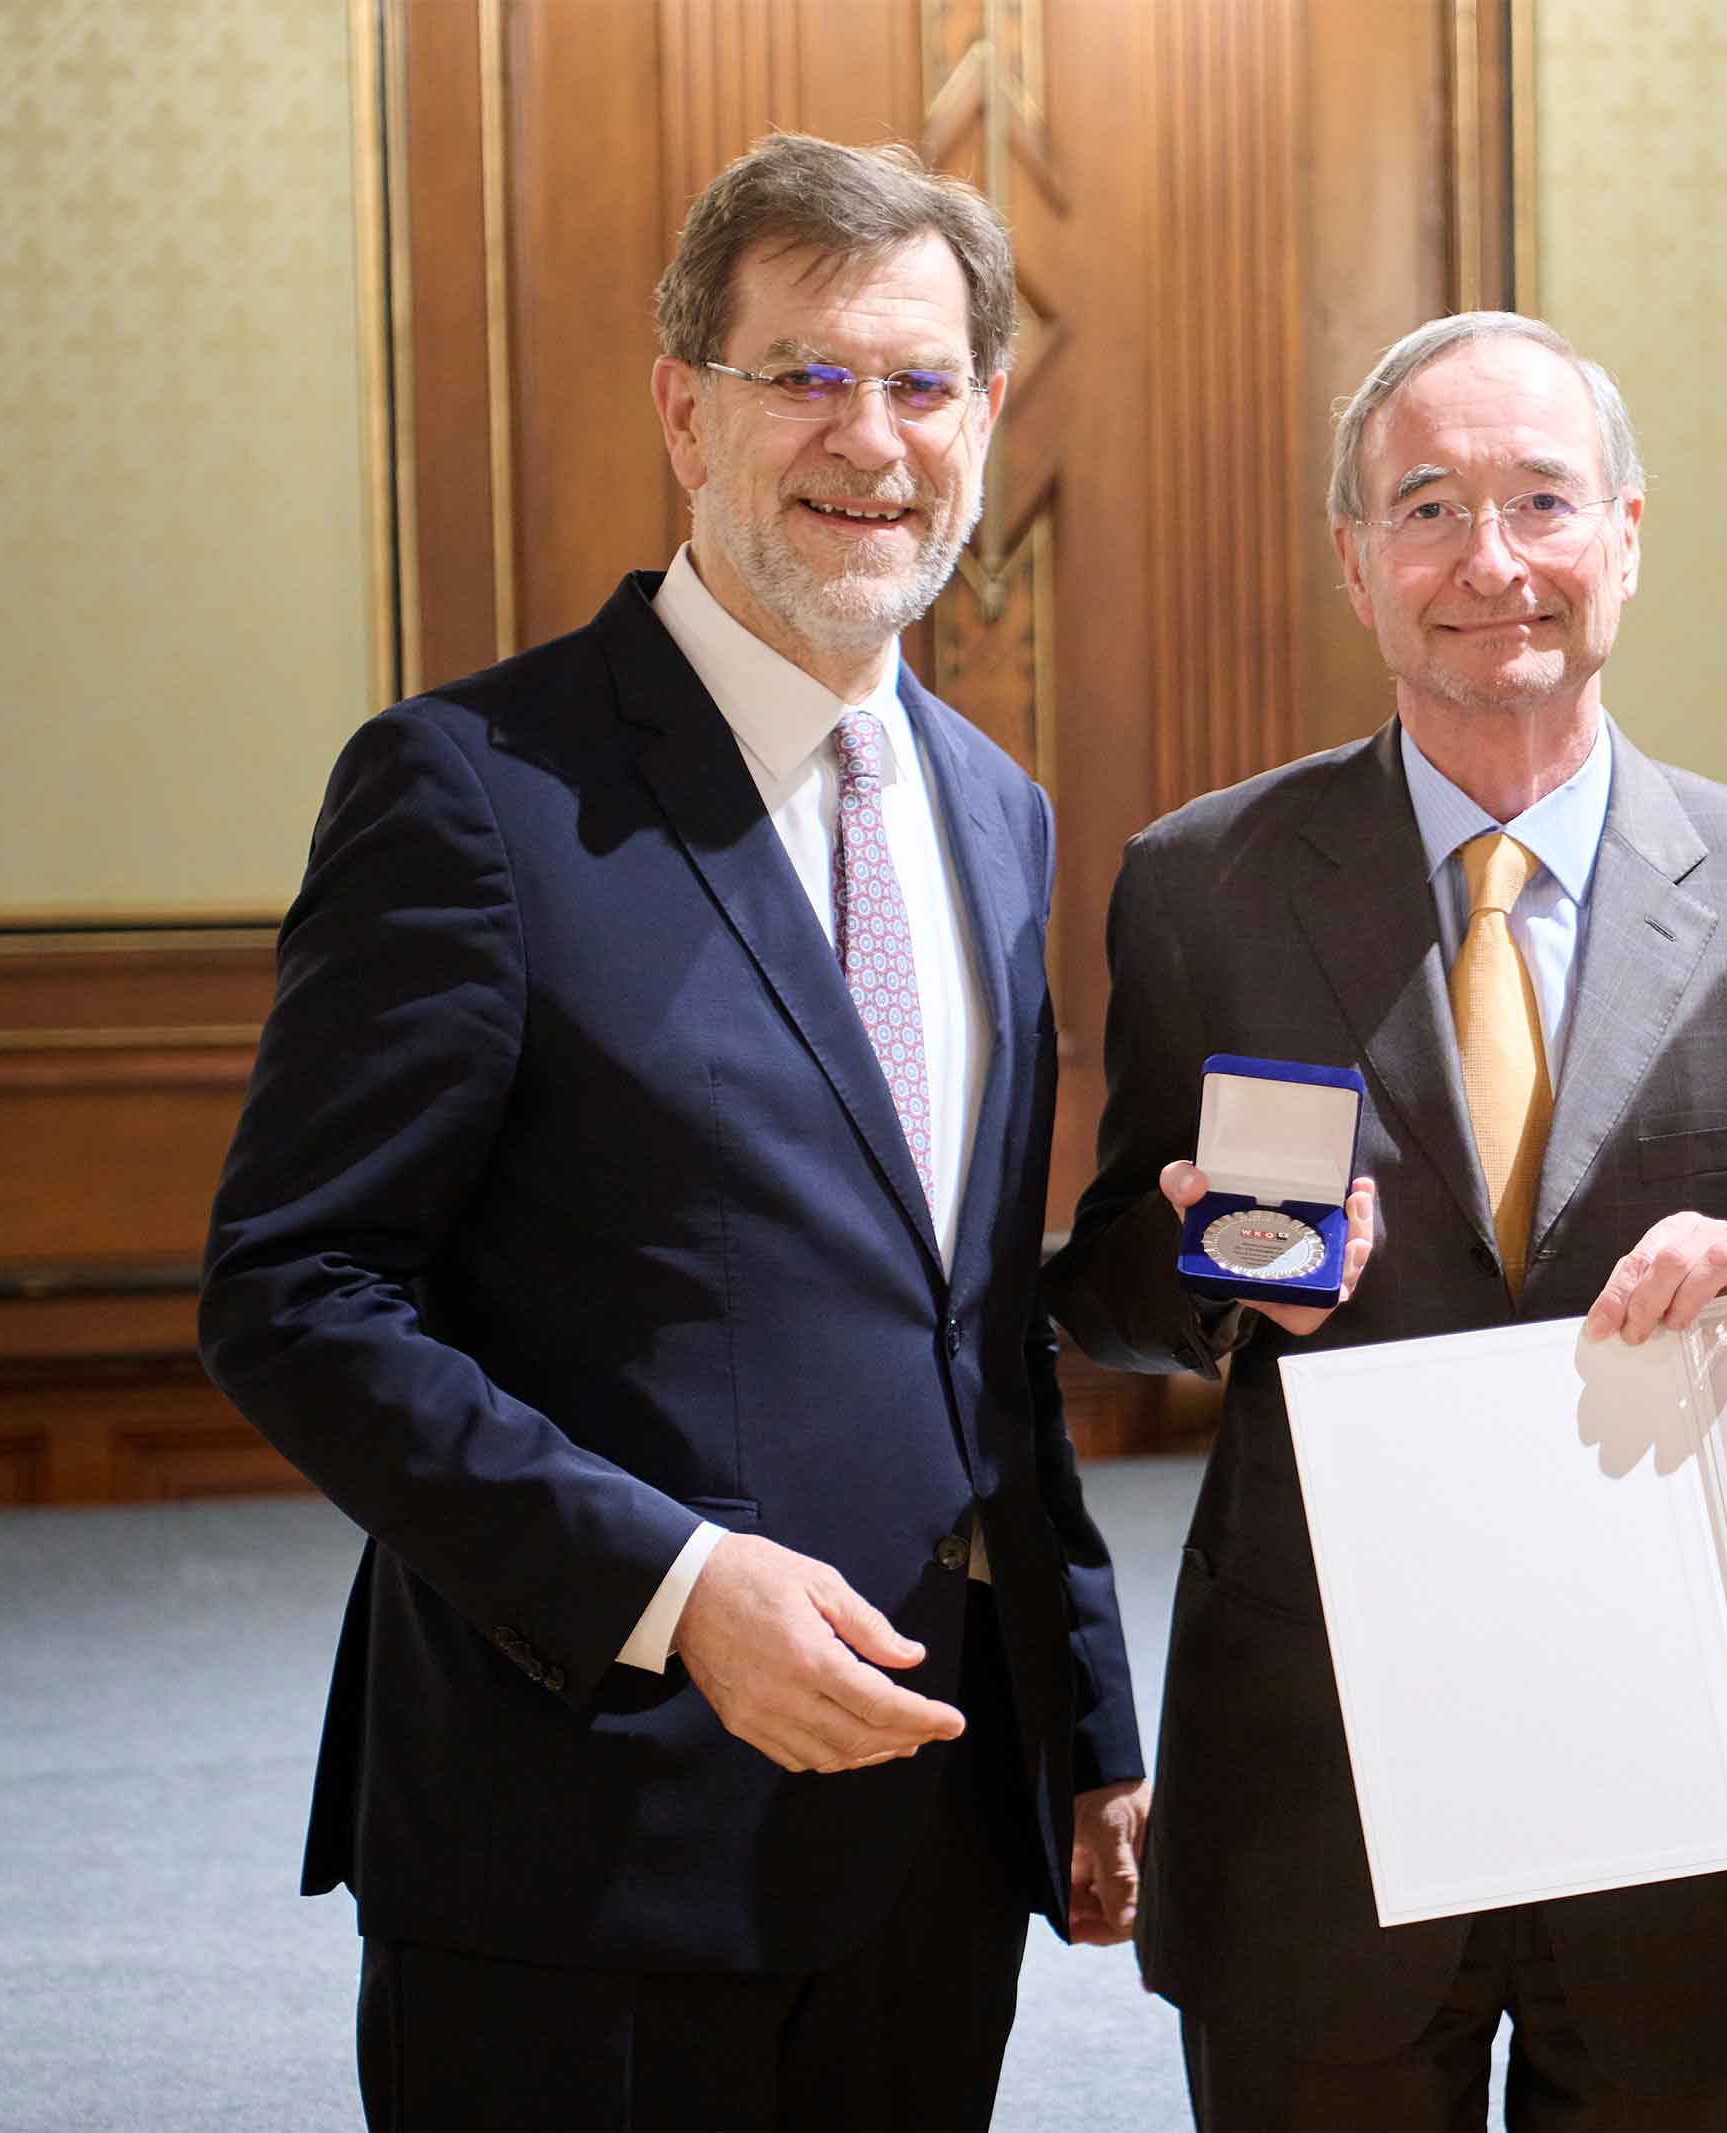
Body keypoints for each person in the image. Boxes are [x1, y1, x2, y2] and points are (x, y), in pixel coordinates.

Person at [199, 132, 1144, 2131]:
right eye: (803, 370)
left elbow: (971, 1322)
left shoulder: (993, 811)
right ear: (682, 410)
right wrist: (678, 1583)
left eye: (919, 379)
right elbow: (295, 1294)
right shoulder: (471, 790)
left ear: (983, 415)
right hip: (581, 1850)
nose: (865, 434)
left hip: (928, 1831)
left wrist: (1087, 1714)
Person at [1042, 311, 1727, 2131]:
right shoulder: (1200, 885)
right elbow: (1103, 1292)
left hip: (1682, 1779)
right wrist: (1217, 1276)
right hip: (1323, 1787)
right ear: (1356, 564)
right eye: (1429, 507)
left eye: (1542, 500)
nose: (1491, 562)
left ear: (1627, 534)